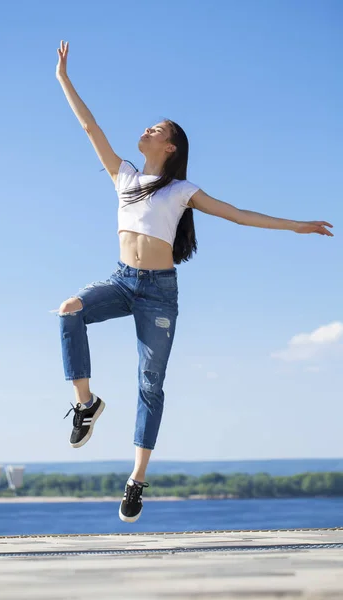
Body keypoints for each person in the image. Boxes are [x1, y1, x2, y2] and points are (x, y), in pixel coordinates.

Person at [54, 40, 333, 523]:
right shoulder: (123, 175)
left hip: (159, 291)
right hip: (122, 282)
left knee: (150, 384)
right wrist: (63, 77)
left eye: (156, 128)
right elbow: (89, 126)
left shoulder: (183, 190)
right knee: (69, 309)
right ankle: (86, 404)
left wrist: (296, 225)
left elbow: (238, 215)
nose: (146, 128)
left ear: (171, 146)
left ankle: (136, 480)